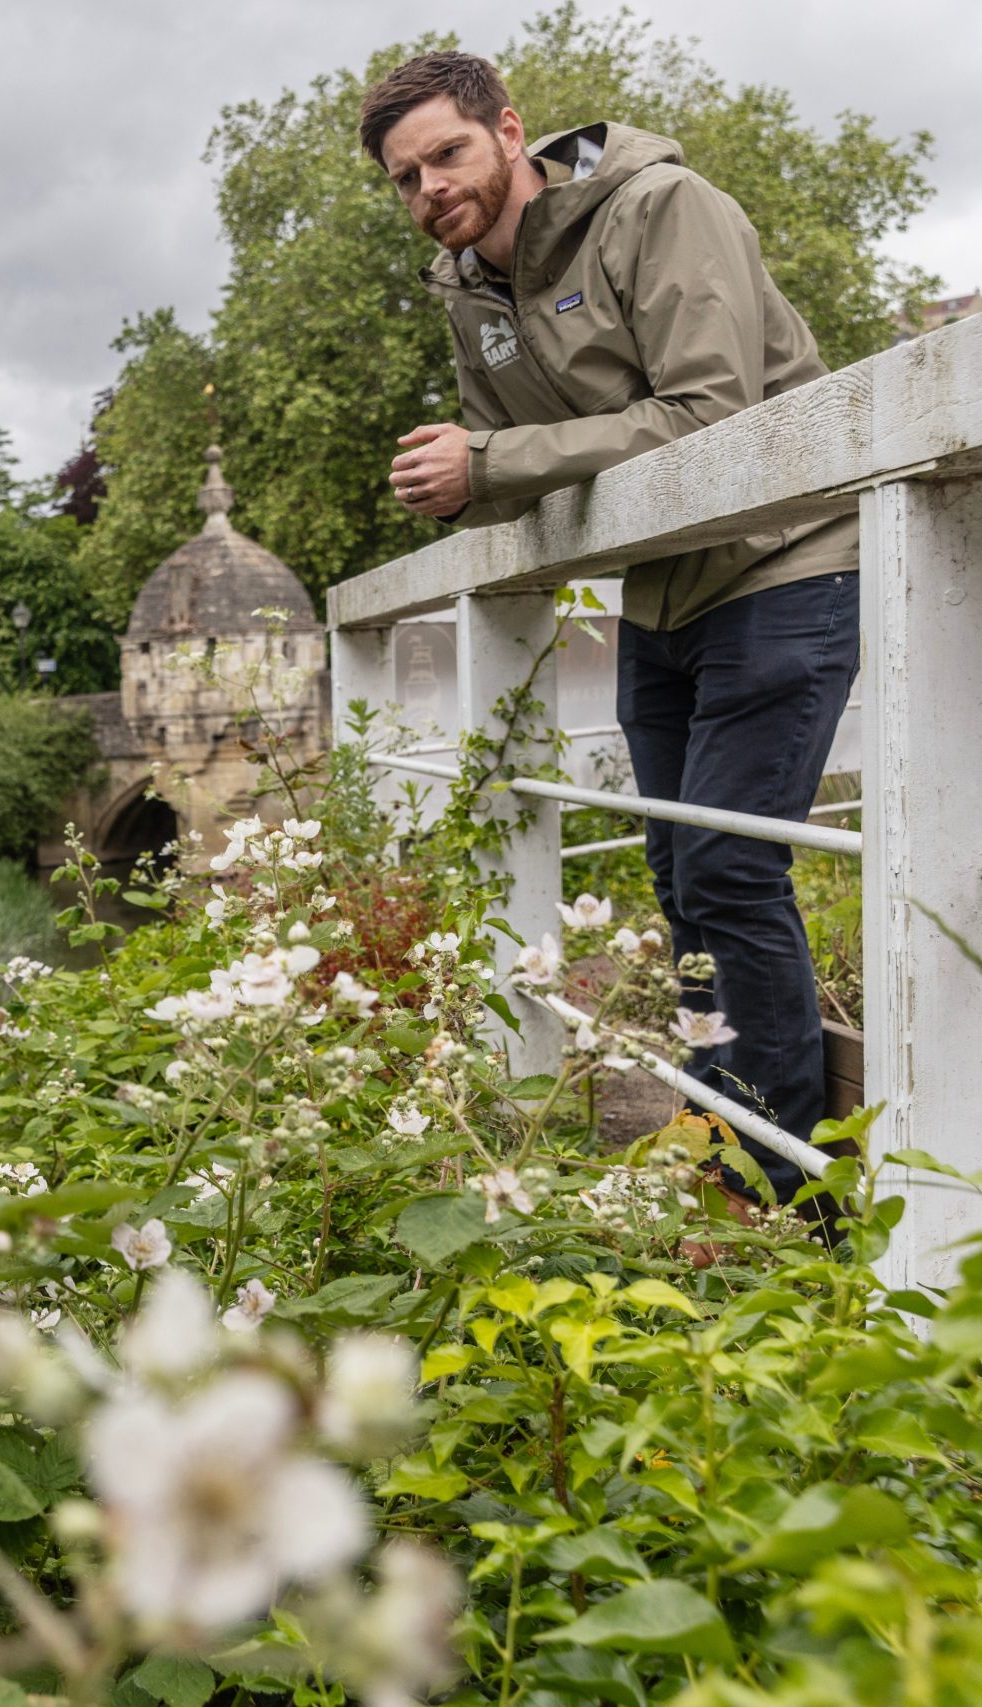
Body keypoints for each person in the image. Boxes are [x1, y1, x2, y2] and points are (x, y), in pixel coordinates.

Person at [361, 51, 859, 1205]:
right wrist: (474, 475)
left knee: (732, 868)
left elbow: (709, 413)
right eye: (405, 176)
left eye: (447, 152)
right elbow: (517, 481)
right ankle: (715, 1136)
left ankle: (797, 1192)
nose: (430, 186)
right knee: (677, 879)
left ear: (507, 133)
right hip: (660, 591)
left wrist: (486, 460)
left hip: (784, 557)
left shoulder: (657, 208)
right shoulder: (465, 291)